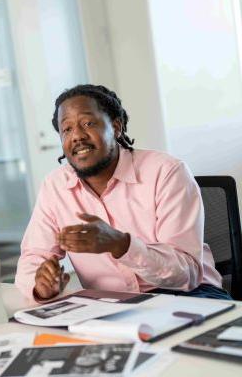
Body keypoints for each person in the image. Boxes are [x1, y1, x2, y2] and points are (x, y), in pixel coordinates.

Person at [15, 84, 229, 302]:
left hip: (189, 295)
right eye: (67, 129)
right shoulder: (55, 186)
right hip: (112, 304)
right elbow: (33, 257)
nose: (77, 136)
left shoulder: (166, 172)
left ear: (116, 127)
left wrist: (121, 245)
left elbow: (186, 273)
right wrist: (41, 285)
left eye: (88, 123)